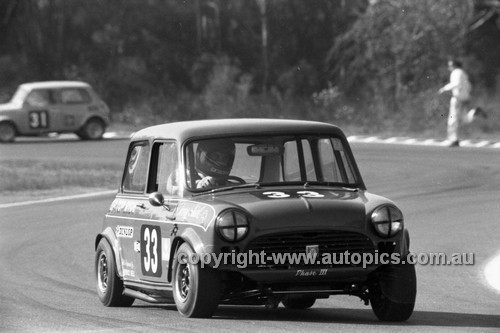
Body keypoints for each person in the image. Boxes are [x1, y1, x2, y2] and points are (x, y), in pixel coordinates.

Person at [438, 59, 472, 147]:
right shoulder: (463, 73)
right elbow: (468, 86)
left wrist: (444, 89)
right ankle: (475, 112)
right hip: (464, 98)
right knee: (464, 119)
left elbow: (456, 83)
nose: (449, 68)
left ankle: (453, 139)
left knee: (452, 119)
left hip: (457, 99)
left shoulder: (456, 72)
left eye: (450, 65)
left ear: (455, 65)